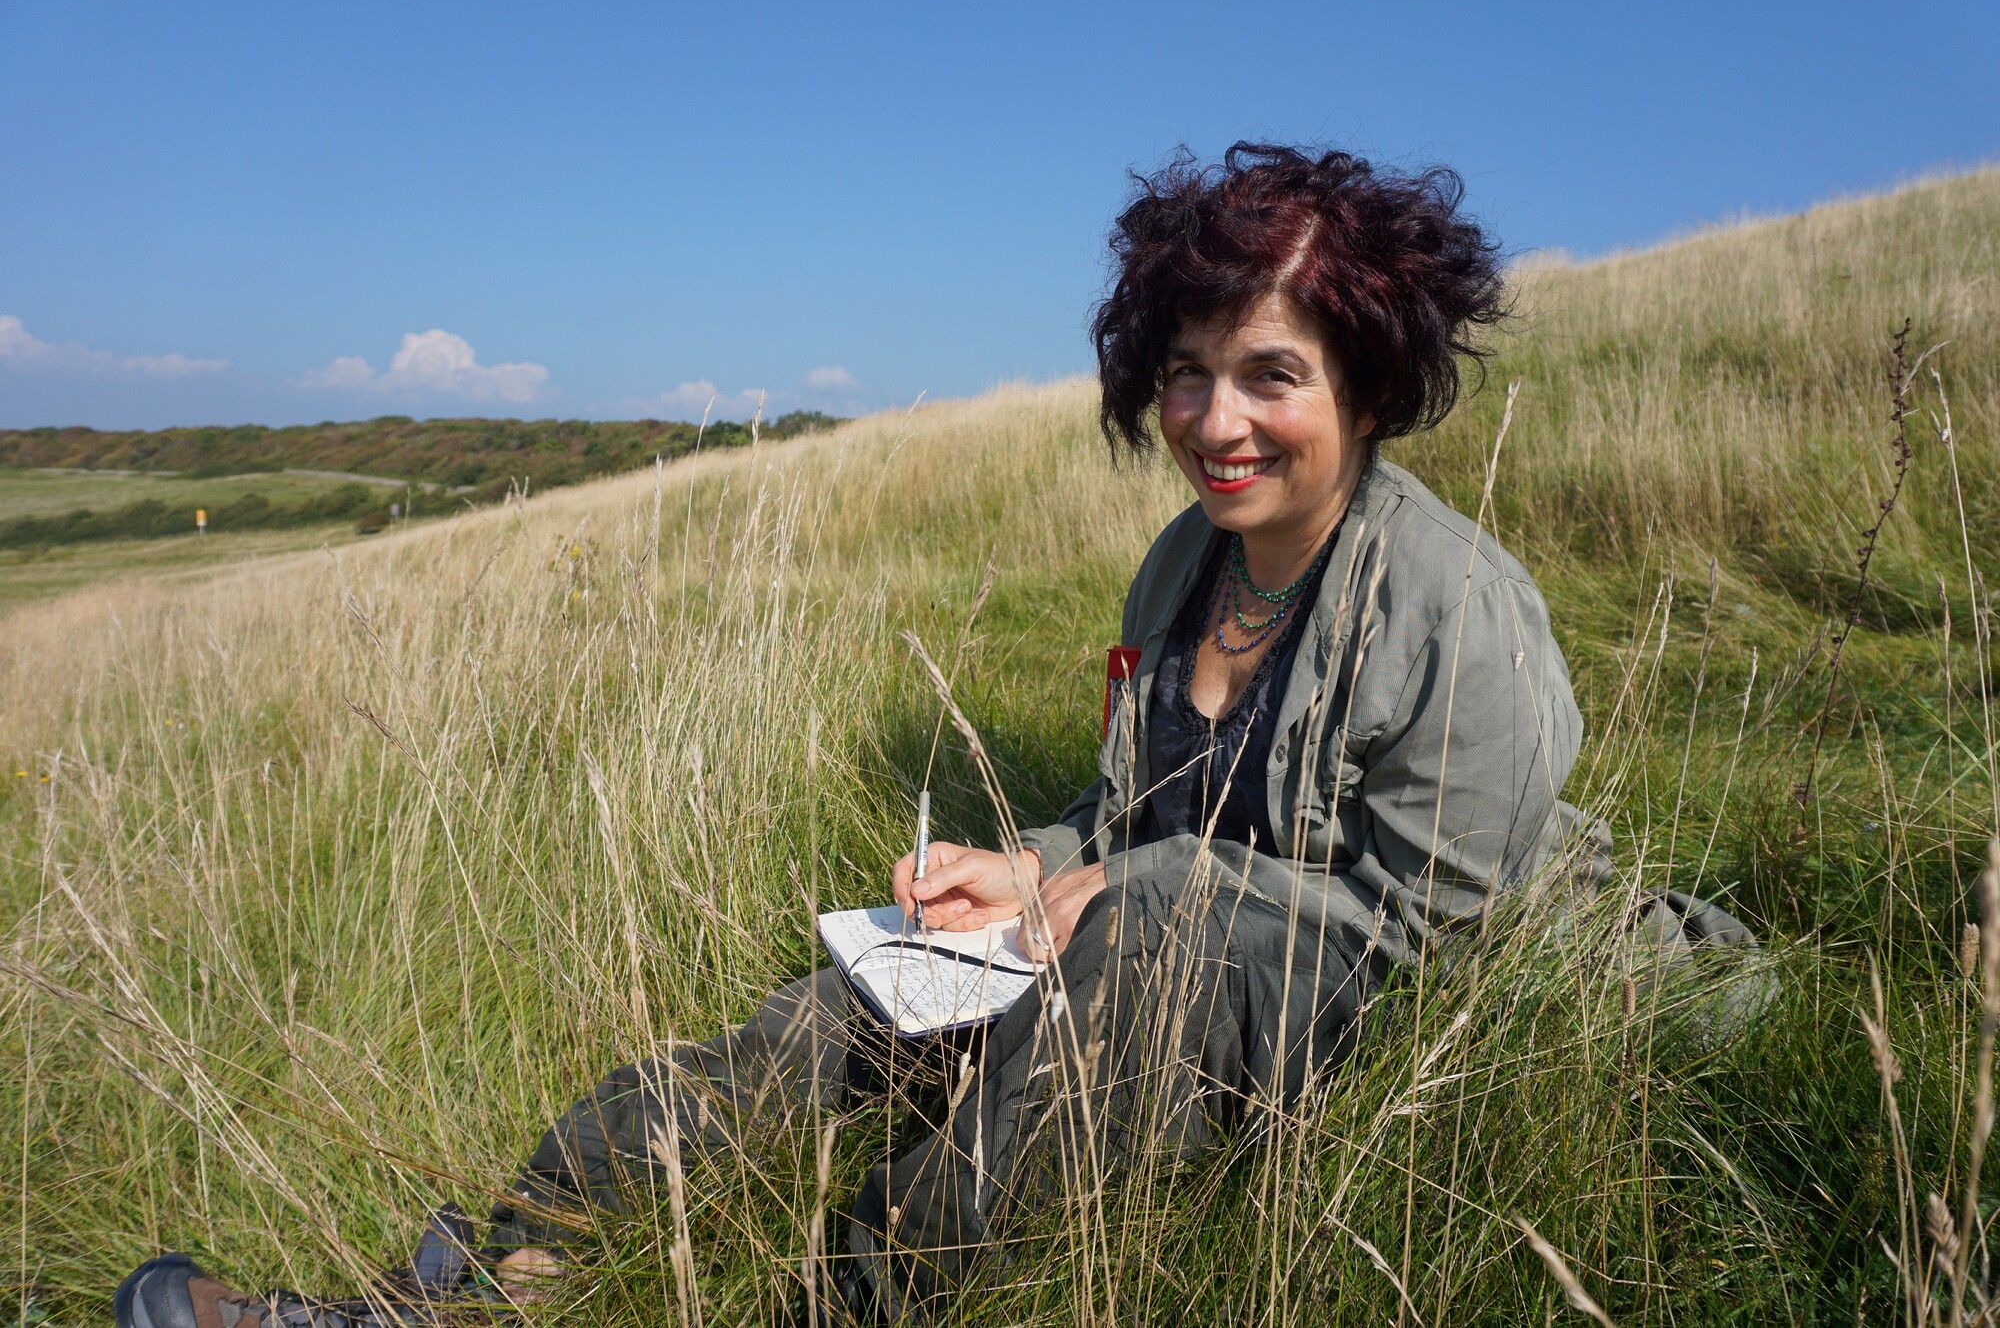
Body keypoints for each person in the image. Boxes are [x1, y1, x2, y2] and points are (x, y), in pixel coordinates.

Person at [115, 143, 1734, 1327]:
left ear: (1366, 384)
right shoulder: (1187, 565)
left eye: (1270, 373)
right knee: (886, 972)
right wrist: (1015, 865)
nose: (1215, 422)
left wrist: (1124, 886)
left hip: (1398, 1020)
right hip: (1157, 962)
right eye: (1184, 374)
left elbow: (1445, 931)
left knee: (1157, 930)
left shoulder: (1453, 602)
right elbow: (1125, 810)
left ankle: (849, 1303)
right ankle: (490, 1267)